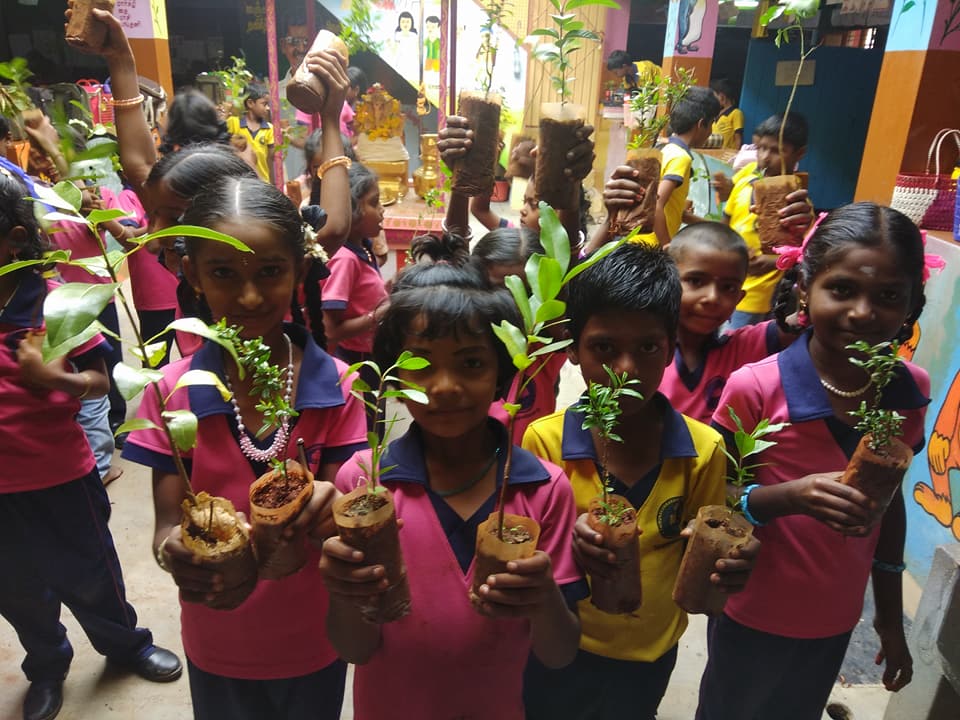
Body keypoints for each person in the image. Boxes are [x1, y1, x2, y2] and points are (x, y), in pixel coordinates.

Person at [121, 176, 366, 720]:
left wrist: (333, 512)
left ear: (300, 271)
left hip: (313, 637)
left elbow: (351, 511)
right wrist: (173, 553)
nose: (250, 296)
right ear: (193, 275)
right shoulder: (171, 393)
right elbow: (165, 526)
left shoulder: (341, 388)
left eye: (270, 272)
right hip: (218, 637)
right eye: (224, 274)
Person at [695, 202, 932, 720]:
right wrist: (788, 497)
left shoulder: (907, 392)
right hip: (750, 609)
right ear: (804, 288)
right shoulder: (755, 387)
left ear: (913, 301)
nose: (864, 312)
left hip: (836, 617)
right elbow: (714, 499)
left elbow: (888, 509)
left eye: (889, 296)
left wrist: (889, 620)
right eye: (842, 289)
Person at [319, 267, 585, 719]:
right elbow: (354, 649)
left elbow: (559, 653)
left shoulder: (544, 489)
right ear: (394, 377)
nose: (444, 387)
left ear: (503, 371)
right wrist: (344, 592)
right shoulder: (365, 486)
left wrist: (544, 598)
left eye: (471, 363)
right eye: (421, 364)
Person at [521, 243, 759, 720]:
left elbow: (707, 541)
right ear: (572, 349)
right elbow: (529, 549)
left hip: (649, 652)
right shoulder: (543, 441)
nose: (626, 369)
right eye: (604, 348)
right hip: (559, 644)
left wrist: (731, 560)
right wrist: (569, 541)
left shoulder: (704, 449)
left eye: (647, 347)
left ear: (671, 348)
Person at [0, 172, 182, 720]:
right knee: (16, 587)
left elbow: (101, 383)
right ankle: (47, 665)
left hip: (60, 476)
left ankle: (124, 645)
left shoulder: (55, 306)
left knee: (92, 572)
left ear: (12, 238)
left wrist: (55, 381)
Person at [660, 222, 803, 425]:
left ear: (739, 298)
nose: (712, 297)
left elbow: (806, 318)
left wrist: (807, 245)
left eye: (728, 287)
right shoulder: (644, 353)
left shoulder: (745, 347)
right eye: (696, 281)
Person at [589, 86, 721, 250]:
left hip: (639, 242)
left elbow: (672, 209)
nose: (711, 132)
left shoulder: (665, 150)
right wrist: (667, 246)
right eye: (712, 124)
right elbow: (657, 203)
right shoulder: (681, 158)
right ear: (702, 124)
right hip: (651, 247)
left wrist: (713, 225)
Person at [471, 227, 568, 443]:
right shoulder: (466, 343)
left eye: (528, 292)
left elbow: (562, 276)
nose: (515, 302)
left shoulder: (543, 346)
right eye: (502, 289)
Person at [725, 112, 808, 329]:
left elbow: (804, 253)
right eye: (761, 148)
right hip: (728, 282)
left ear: (799, 153)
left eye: (776, 150)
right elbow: (727, 220)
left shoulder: (796, 203)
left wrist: (772, 262)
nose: (765, 157)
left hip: (758, 295)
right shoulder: (745, 179)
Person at [319, 162, 388, 364]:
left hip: (370, 352)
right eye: (374, 203)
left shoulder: (364, 247)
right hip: (355, 360)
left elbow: (360, 297)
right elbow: (330, 332)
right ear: (351, 211)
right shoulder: (344, 259)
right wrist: (380, 314)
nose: (381, 210)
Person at [227, 84, 275, 184]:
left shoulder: (269, 129)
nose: (268, 108)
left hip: (262, 182)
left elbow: (271, 161)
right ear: (250, 103)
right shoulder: (234, 123)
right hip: (239, 182)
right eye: (264, 104)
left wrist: (273, 184)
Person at [709, 79, 744, 150]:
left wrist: (735, 156)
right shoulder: (718, 113)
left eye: (715, 97)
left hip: (726, 156)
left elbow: (738, 139)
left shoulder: (736, 113)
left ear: (722, 97)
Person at [340, 67, 366, 140]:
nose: (341, 89)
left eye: (346, 87)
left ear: (356, 90)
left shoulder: (362, 113)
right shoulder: (343, 106)